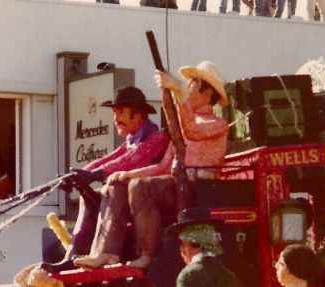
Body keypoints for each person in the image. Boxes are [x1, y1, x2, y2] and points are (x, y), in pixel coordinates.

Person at [77, 62, 229, 271]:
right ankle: (106, 253)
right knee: (120, 185)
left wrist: (177, 92)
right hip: (177, 184)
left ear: (208, 92)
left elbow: (192, 130)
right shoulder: (183, 124)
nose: (188, 87)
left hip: (197, 188)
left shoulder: (217, 124)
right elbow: (163, 166)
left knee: (140, 187)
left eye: (193, 83)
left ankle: (147, 254)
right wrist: (126, 174)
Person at [42, 86, 169, 273]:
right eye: (115, 113)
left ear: (137, 115)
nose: (115, 119)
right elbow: (110, 159)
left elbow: (131, 160)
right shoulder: (133, 140)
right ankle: (72, 255)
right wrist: (79, 173)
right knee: (89, 199)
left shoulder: (155, 138)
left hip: (148, 200)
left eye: (120, 113)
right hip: (131, 199)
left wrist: (96, 174)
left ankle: (104, 252)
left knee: (110, 191)